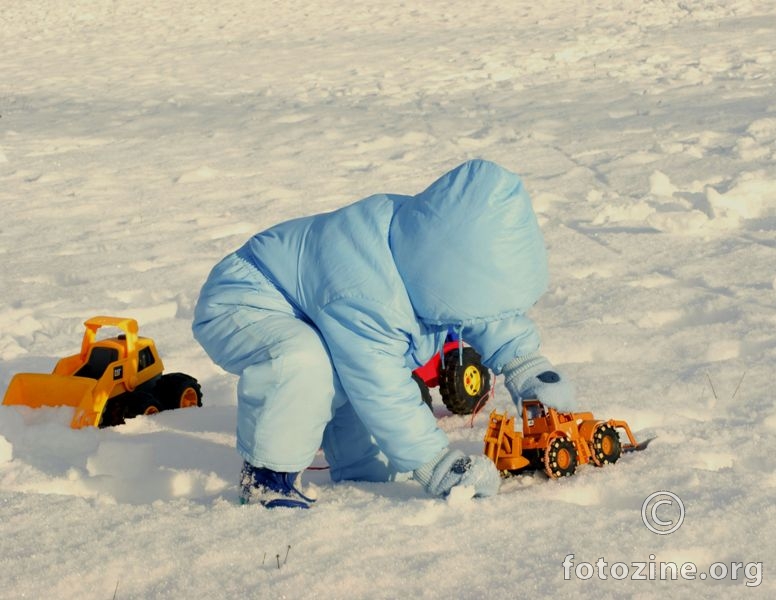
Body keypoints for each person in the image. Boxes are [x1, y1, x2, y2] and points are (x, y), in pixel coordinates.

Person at [192, 159, 575, 509]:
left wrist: (523, 361)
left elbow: (476, 302)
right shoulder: (367, 291)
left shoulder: (429, 240)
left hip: (312, 301)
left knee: (342, 371)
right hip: (243, 299)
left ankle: (362, 475)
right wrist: (435, 462)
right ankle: (266, 480)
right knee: (304, 360)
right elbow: (380, 388)